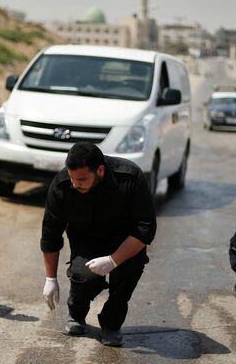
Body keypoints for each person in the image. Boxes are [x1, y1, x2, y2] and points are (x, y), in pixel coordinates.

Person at [41, 142, 157, 347]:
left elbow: (145, 229)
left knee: (129, 269)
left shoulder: (130, 177)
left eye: (82, 179)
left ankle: (111, 324)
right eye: (72, 178)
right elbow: (51, 233)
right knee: (85, 277)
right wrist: (50, 278)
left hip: (125, 242)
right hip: (86, 242)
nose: (75, 184)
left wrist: (113, 261)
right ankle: (76, 313)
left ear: (100, 170)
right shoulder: (62, 186)